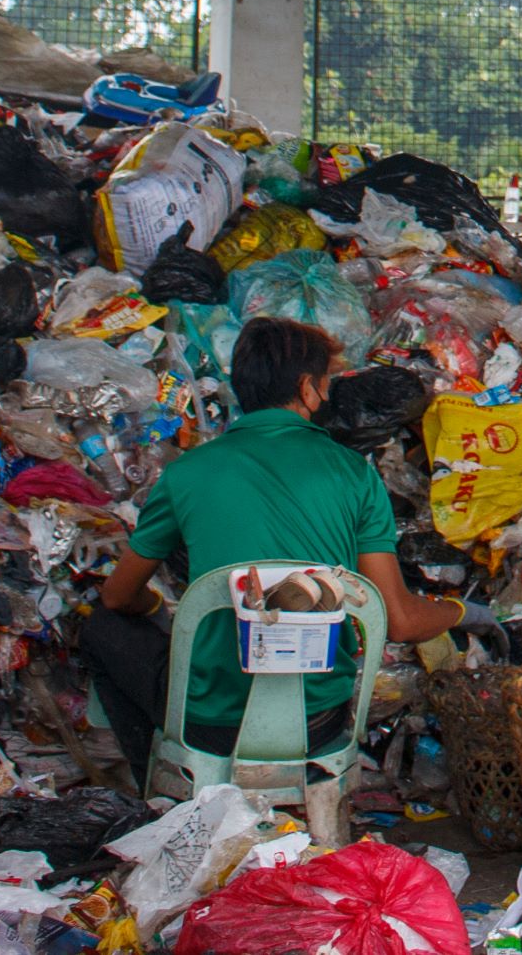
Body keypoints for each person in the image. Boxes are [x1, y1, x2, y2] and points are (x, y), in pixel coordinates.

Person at [81, 318, 475, 781]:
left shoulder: (188, 472)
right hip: (317, 727)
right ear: (308, 389)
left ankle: (159, 781)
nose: (327, 397)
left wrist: (160, 611)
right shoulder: (353, 473)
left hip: (208, 727)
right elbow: (401, 621)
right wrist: (463, 613)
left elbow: (116, 597)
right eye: (325, 385)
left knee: (101, 627)